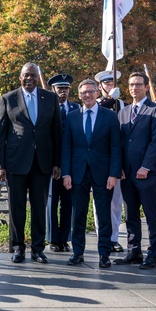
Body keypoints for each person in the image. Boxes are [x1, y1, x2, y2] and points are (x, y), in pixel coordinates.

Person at [0, 62, 62, 264]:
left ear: (38, 76)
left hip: (42, 163)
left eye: (33, 75)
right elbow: (0, 135)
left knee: (40, 207)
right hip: (16, 163)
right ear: (20, 77)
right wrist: (0, 165)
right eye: (26, 75)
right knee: (17, 208)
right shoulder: (8, 98)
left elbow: (57, 132)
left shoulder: (50, 98)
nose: (29, 78)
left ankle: (38, 249)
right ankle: (18, 247)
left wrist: (57, 163)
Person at [60, 78, 121, 267]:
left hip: (103, 173)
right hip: (77, 173)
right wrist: (66, 173)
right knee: (78, 214)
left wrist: (113, 174)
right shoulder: (72, 116)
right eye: (84, 92)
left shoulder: (110, 116)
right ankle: (78, 252)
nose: (87, 95)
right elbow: (67, 147)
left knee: (104, 216)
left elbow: (115, 148)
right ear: (79, 95)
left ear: (97, 92)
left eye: (91, 91)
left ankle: (104, 254)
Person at [114, 72, 156, 269]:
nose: (134, 88)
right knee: (131, 214)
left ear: (146, 86)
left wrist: (146, 166)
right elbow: (119, 143)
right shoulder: (123, 112)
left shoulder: (155, 110)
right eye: (131, 85)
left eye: (138, 84)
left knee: (151, 214)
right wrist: (119, 167)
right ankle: (133, 250)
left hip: (147, 173)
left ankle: (153, 254)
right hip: (127, 173)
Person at [47, 73, 78, 252]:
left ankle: (65, 238)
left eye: (65, 89)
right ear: (53, 90)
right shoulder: (48, 108)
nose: (63, 92)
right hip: (52, 163)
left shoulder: (76, 108)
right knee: (51, 201)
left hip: (71, 163)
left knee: (68, 203)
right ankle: (52, 239)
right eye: (60, 89)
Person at [94, 69, 125, 253]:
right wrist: (107, 101)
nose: (110, 86)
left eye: (112, 83)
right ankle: (102, 237)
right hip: (99, 161)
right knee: (100, 203)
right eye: (106, 83)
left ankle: (113, 238)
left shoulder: (123, 105)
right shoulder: (96, 104)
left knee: (116, 202)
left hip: (117, 161)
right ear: (100, 86)